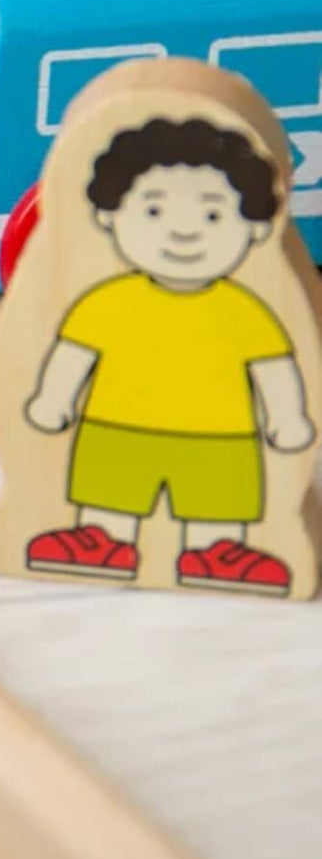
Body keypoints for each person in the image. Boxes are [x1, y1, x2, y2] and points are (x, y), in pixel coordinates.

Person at [22, 115, 315, 594]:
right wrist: (53, 400)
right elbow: (73, 353)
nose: (185, 232)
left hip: (220, 438)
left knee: (218, 501)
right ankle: (101, 537)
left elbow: (275, 367)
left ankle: (217, 549)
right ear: (108, 216)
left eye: (214, 215)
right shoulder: (105, 300)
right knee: (109, 492)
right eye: (154, 211)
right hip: (115, 430)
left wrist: (287, 416)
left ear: (258, 229)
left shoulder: (247, 309)